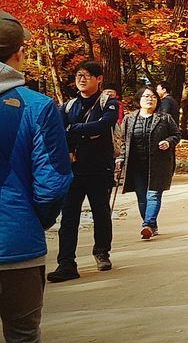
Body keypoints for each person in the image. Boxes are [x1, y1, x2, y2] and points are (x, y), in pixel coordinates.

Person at [0, 11, 72, 343]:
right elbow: (53, 180)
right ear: (19, 53)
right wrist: (36, 220)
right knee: (23, 337)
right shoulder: (37, 106)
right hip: (17, 244)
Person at [48, 60, 122, 282]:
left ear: (99, 79)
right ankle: (66, 262)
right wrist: (78, 138)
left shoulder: (108, 103)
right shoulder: (69, 106)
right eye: (79, 75)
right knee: (69, 217)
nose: (81, 79)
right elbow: (59, 131)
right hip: (74, 169)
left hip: (100, 168)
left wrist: (76, 130)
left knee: (101, 212)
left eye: (87, 75)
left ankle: (102, 252)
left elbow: (105, 124)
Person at [118, 87, 181, 240]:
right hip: (136, 165)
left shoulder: (164, 118)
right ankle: (151, 225)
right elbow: (122, 140)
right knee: (142, 197)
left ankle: (147, 224)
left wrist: (168, 141)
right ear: (139, 99)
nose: (150, 99)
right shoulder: (129, 119)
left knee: (153, 194)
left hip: (158, 164)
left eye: (153, 96)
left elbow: (176, 135)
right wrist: (120, 157)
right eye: (146, 96)